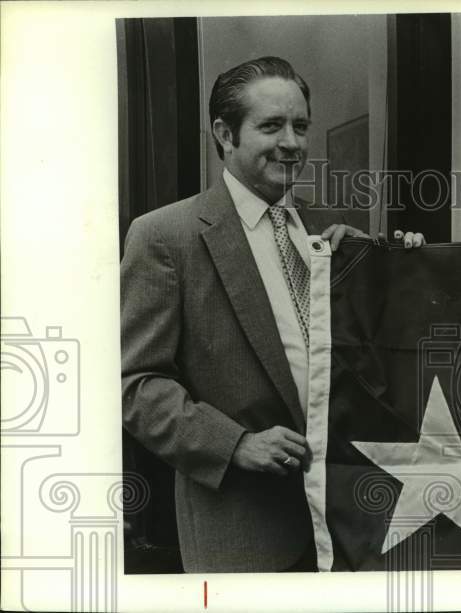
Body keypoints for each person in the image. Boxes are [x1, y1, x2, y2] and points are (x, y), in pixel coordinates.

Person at [121, 56, 420, 573]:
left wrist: (402, 266)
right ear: (225, 133)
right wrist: (234, 444)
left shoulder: (331, 229)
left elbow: (380, 359)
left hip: (352, 527)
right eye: (271, 126)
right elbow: (138, 384)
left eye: (300, 126)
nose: (292, 142)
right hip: (244, 532)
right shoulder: (165, 236)